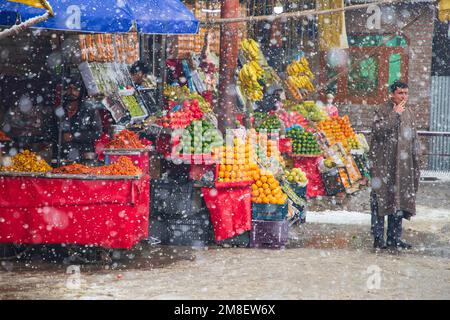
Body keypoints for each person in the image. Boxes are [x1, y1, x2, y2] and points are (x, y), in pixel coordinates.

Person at [369, 81, 420, 250]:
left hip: (403, 166)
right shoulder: (382, 110)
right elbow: (377, 131)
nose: (404, 97)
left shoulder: (410, 112)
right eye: (400, 93)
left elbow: (414, 139)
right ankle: (378, 239)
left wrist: (415, 161)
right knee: (380, 200)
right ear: (392, 94)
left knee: (398, 201)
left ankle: (394, 238)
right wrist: (394, 115)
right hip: (383, 165)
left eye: (406, 93)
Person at [50, 76, 102, 163]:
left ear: (81, 91)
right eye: (69, 89)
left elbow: (97, 132)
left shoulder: (90, 110)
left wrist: (74, 136)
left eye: (75, 89)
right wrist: (60, 137)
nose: (71, 92)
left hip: (84, 156)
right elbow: (52, 132)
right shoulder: (59, 111)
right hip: (62, 157)